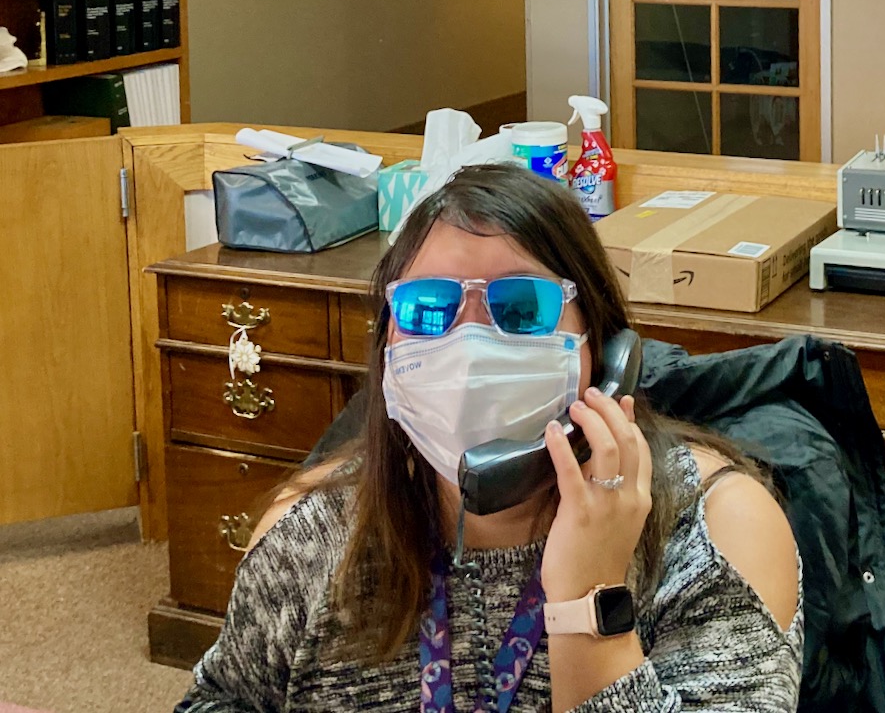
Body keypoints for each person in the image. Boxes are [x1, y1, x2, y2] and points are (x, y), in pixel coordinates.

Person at [176, 163, 802, 713]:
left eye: (521, 306)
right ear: (387, 353)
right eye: (427, 308)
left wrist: (592, 602)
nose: (467, 346)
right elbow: (222, 701)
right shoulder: (312, 533)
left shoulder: (721, 532)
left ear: (608, 354)